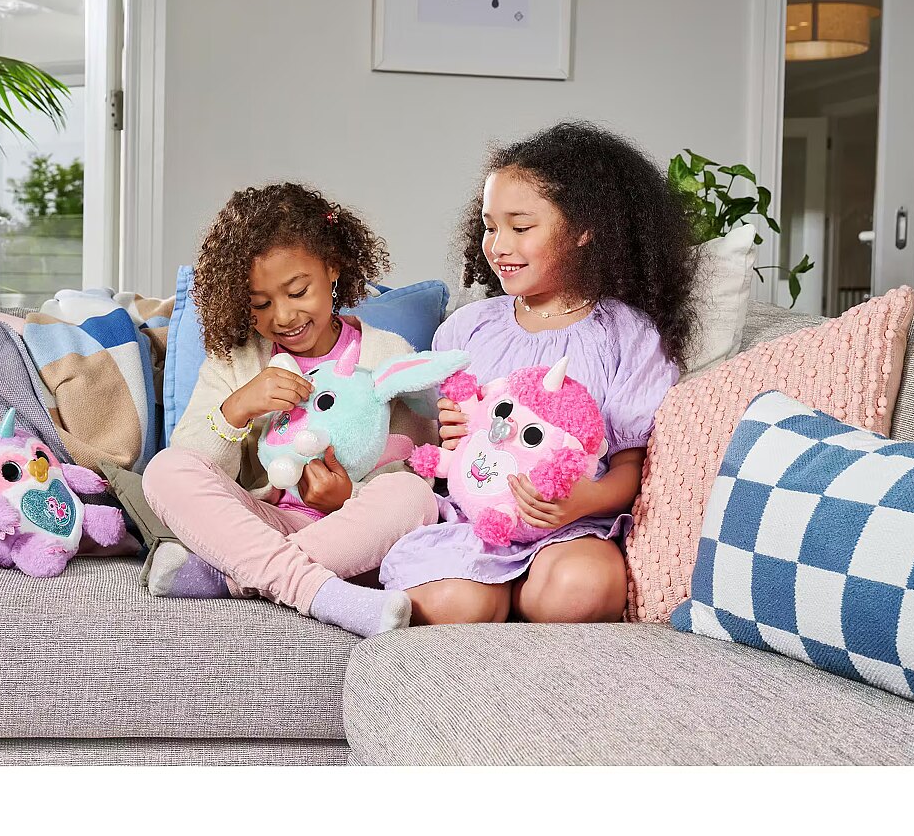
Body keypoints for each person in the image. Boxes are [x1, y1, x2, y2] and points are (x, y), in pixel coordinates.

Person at [381, 121, 697, 625]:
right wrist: (450, 431)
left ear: (583, 230)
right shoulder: (467, 328)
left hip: (569, 527)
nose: (498, 245)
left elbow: (631, 462)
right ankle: (489, 595)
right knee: (455, 606)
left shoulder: (626, 335)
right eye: (490, 226)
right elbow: (443, 444)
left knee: (584, 589)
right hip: (476, 520)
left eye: (521, 227)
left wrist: (584, 501)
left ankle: (521, 600)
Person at [141, 182, 438, 637]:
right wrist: (236, 410)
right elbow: (198, 464)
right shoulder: (237, 360)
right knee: (166, 470)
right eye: (260, 304)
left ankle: (232, 578)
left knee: (413, 496)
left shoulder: (386, 355)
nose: (282, 317)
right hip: (265, 525)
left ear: (332, 268)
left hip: (352, 538)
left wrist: (347, 498)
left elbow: (419, 466)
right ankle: (318, 592)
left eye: (298, 292)